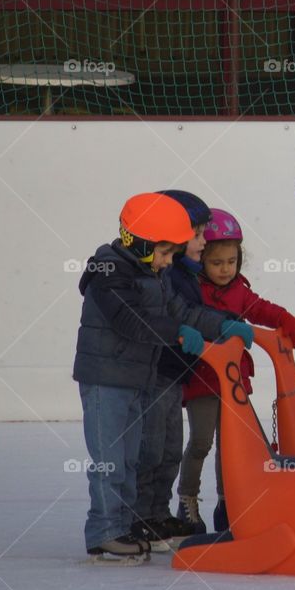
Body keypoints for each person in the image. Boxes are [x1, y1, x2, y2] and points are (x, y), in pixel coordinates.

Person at [72, 193, 251, 565]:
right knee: (111, 461)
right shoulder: (110, 272)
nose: (171, 261)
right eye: (167, 253)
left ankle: (126, 527)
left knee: (132, 461)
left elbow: (181, 309)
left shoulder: (153, 271)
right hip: (107, 378)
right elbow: (130, 321)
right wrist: (180, 333)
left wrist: (221, 324)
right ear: (140, 243)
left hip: (136, 376)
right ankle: (105, 532)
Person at [178, 208, 295, 533]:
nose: (224, 269)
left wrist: (283, 319)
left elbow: (259, 307)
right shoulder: (193, 290)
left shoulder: (239, 290)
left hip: (234, 382)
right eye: (217, 263)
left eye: (231, 262)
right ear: (201, 259)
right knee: (202, 441)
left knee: (231, 445)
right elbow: (184, 318)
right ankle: (187, 501)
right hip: (202, 380)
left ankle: (228, 501)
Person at [132, 190, 213, 551]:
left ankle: (158, 514)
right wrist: (182, 332)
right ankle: (141, 517)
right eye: (197, 233)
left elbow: (191, 315)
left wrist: (224, 325)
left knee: (169, 449)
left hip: (174, 377)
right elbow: (162, 318)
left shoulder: (183, 276)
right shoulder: (167, 275)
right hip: (155, 375)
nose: (203, 241)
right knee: (151, 450)